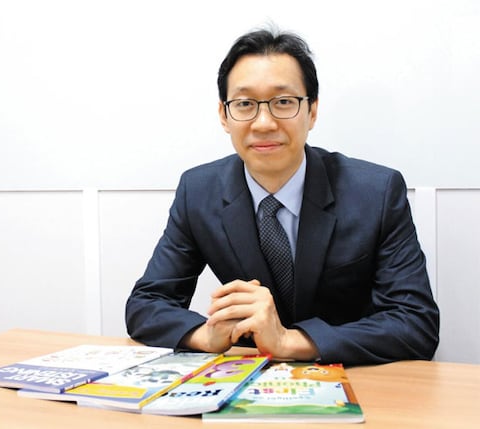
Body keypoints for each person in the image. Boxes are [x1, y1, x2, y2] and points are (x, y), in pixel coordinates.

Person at [125, 27, 439, 366]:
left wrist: (291, 342)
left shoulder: (376, 192)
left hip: (356, 377)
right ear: (224, 116)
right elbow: (146, 303)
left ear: (312, 111)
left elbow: (416, 323)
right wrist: (206, 335)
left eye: (284, 102)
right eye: (244, 104)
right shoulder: (198, 191)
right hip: (250, 381)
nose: (263, 123)